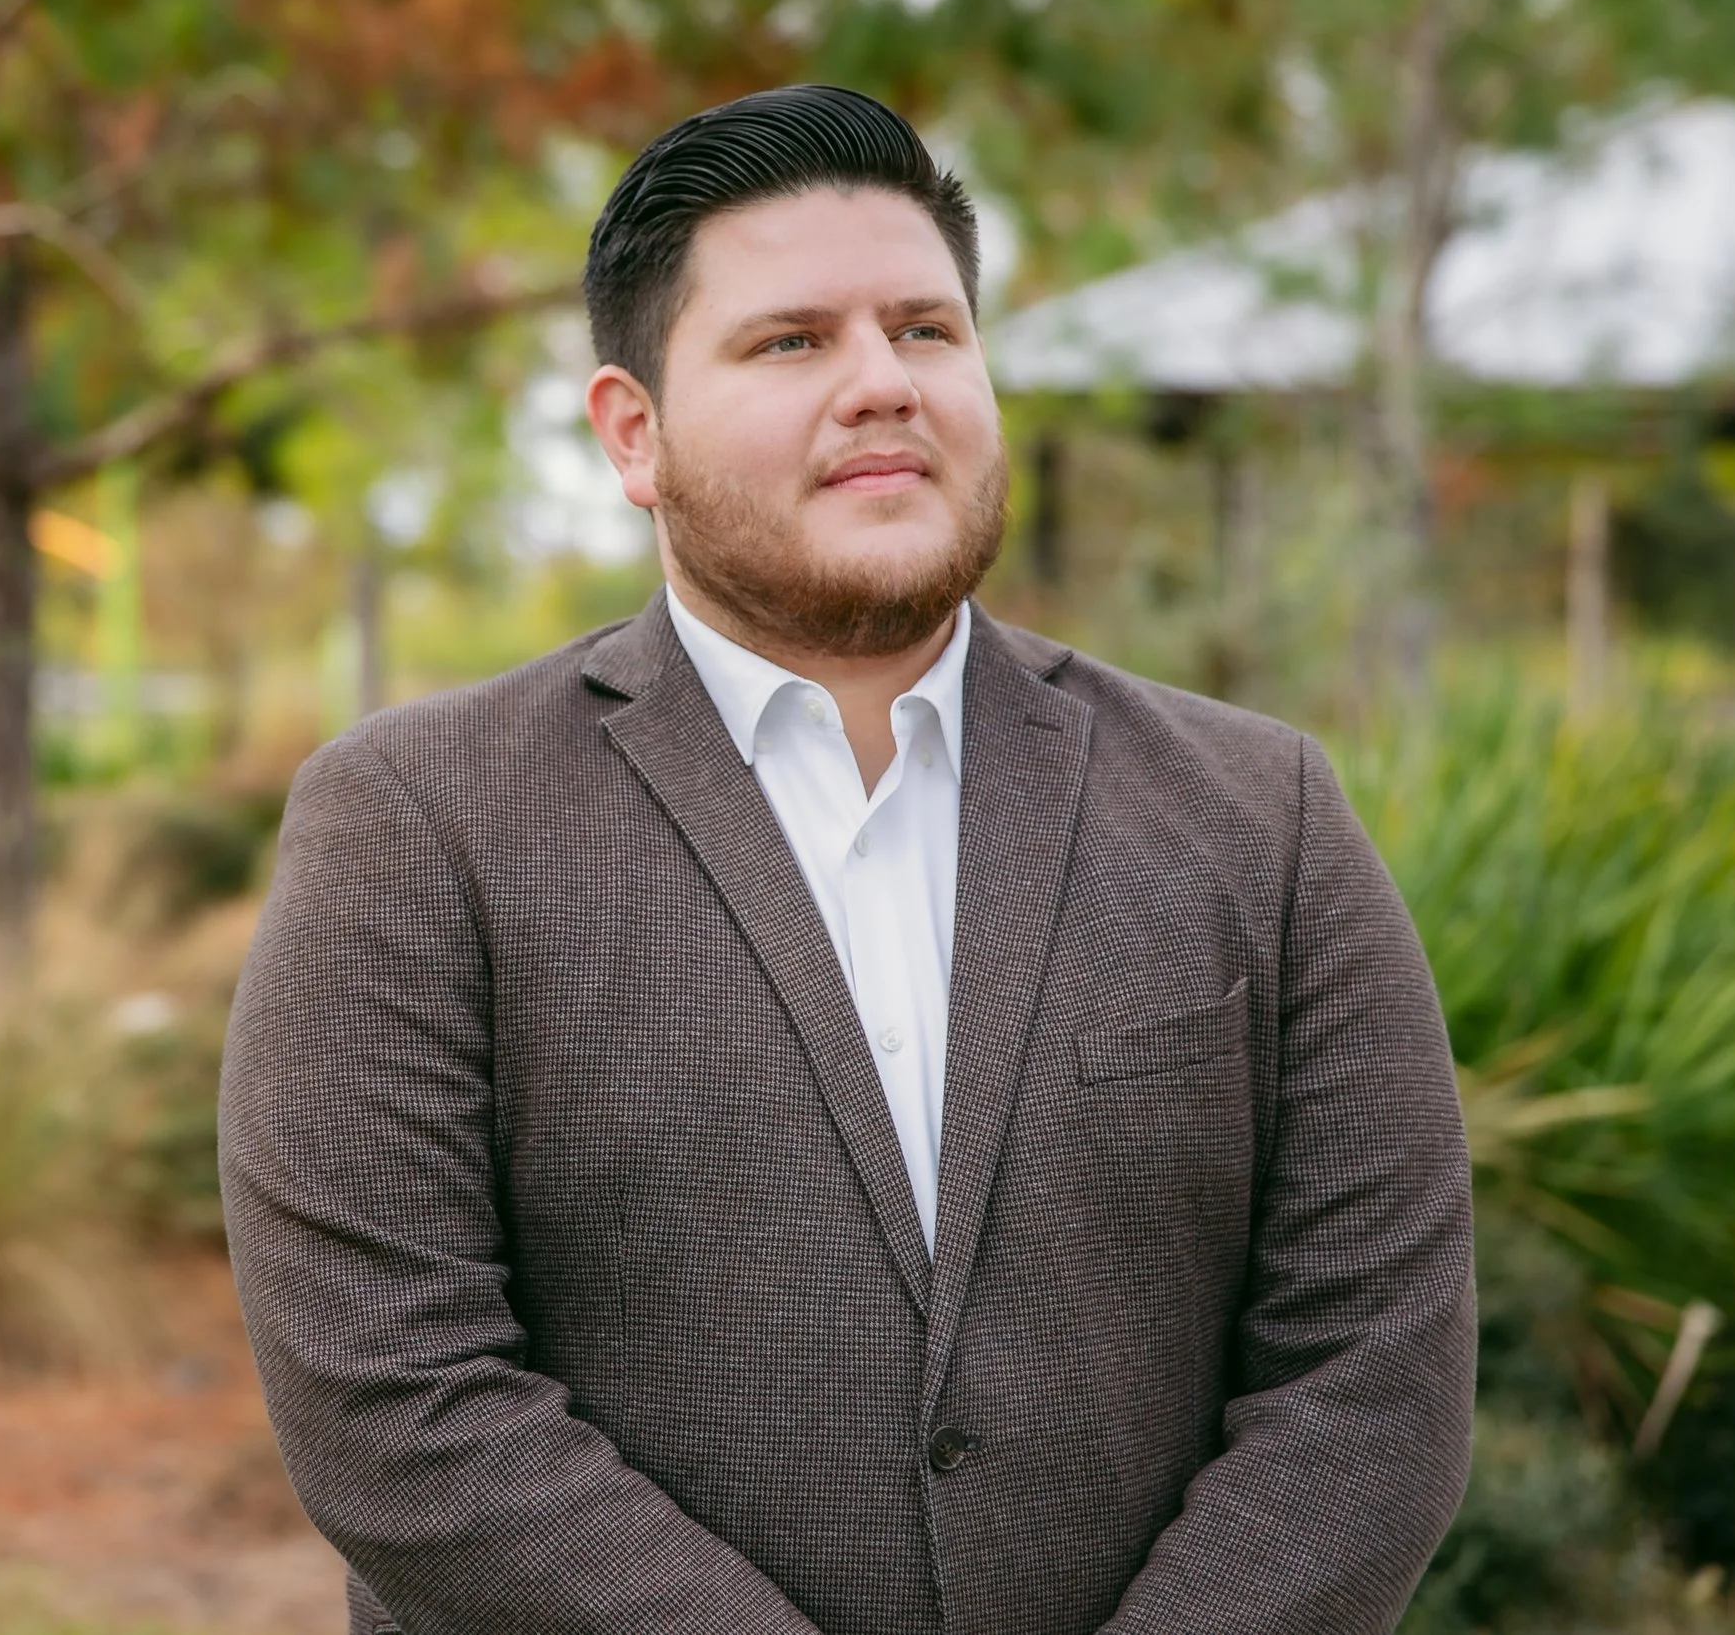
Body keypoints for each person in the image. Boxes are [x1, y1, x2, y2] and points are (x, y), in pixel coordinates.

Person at [219, 83, 1474, 1635]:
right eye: (792, 340)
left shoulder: (1259, 812)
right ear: (633, 431)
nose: (885, 382)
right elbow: (390, 1394)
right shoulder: (419, 820)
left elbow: (1373, 1376)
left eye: (928, 330)